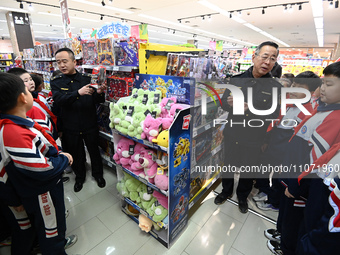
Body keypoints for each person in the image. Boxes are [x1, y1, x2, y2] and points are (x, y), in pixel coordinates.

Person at [266, 62, 340, 255]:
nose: (322, 88)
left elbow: (313, 159)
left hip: (305, 182)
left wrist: (296, 184)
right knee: (288, 212)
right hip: (293, 172)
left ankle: (287, 247)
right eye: (323, 82)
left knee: (297, 218)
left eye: (329, 84)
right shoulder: (324, 109)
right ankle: (283, 236)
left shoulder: (332, 117)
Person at [0, 72, 77, 254]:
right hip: (43, 192)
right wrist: (64, 159)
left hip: (40, 190)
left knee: (49, 227)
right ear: (22, 97)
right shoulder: (13, 132)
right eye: (26, 88)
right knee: (52, 232)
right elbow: (42, 169)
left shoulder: (19, 123)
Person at [214, 41, 282, 213]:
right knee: (228, 164)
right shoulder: (236, 80)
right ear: (254, 57)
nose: (267, 62)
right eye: (264, 57)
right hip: (233, 132)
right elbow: (224, 104)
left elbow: (273, 114)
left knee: (248, 168)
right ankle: (226, 191)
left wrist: (250, 108)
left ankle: (242, 196)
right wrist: (229, 104)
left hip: (254, 136)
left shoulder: (275, 87)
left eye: (272, 59)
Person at [254, 71, 321, 212]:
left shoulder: (308, 113)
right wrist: (267, 140)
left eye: (300, 88)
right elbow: (275, 123)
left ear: (311, 92)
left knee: (280, 178)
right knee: (265, 169)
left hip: (285, 152)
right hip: (274, 144)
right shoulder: (288, 104)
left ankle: (274, 202)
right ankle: (266, 191)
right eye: (294, 85)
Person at [51, 48, 106, 192]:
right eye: (58, 62)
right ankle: (80, 177)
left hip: (89, 123)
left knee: (94, 151)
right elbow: (59, 100)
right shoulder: (56, 82)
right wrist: (77, 93)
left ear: (74, 62)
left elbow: (95, 100)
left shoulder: (86, 79)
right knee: (76, 153)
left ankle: (98, 175)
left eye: (65, 61)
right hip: (70, 125)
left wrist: (99, 93)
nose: (62, 65)